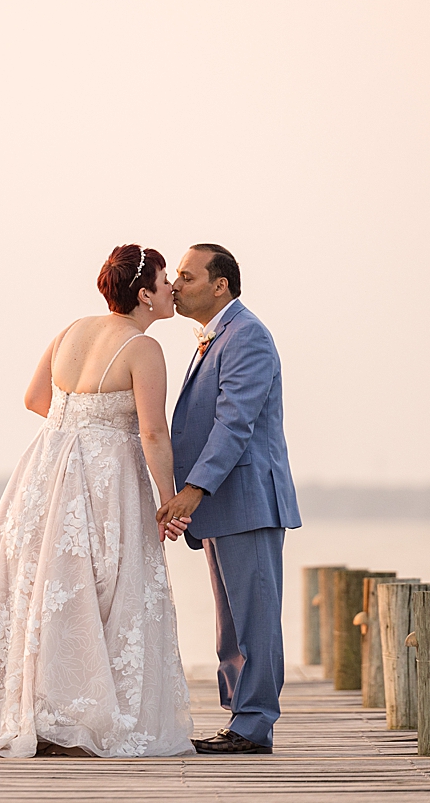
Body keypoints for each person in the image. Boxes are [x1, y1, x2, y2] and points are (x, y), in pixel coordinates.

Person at [0, 244, 195, 758]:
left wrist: (78, 428)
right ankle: (77, 713)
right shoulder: (144, 350)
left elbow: (36, 399)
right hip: (105, 478)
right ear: (145, 295)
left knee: (43, 586)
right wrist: (168, 500)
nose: (172, 289)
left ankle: (46, 709)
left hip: (45, 471)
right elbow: (151, 431)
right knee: (102, 584)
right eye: (166, 282)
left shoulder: (69, 332)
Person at [155, 244, 302, 755]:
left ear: (220, 285)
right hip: (222, 505)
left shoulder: (247, 337)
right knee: (232, 622)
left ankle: (254, 723)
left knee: (255, 618)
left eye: (187, 277)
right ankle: (240, 722)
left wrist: (193, 490)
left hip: (247, 500)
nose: (175, 286)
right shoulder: (216, 338)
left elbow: (234, 423)